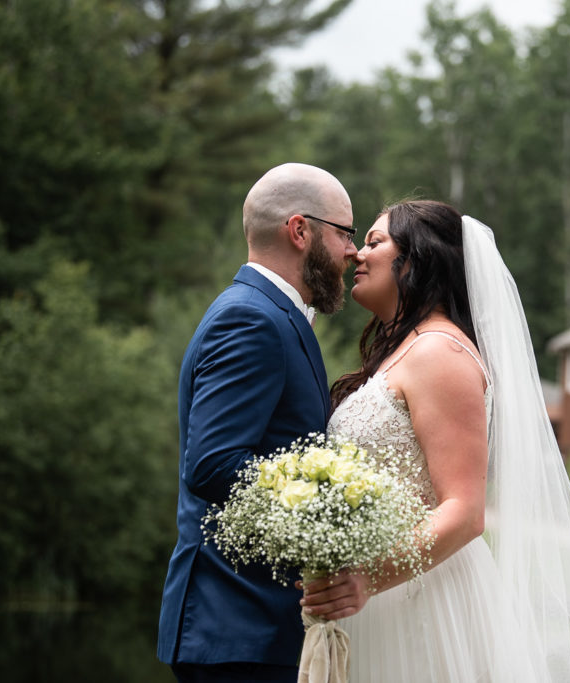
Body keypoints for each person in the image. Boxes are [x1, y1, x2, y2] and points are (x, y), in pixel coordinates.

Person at [299, 200, 570, 682]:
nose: (357, 256)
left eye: (374, 242)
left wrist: (368, 579)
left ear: (415, 259)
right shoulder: (404, 352)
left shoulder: (440, 353)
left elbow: (465, 510)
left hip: (423, 601)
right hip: (378, 597)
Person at [157, 163, 359, 682]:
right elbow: (214, 462)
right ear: (300, 230)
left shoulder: (275, 315)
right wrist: (332, 508)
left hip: (251, 627)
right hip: (234, 624)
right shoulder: (250, 318)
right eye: (344, 232)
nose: (352, 251)